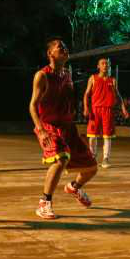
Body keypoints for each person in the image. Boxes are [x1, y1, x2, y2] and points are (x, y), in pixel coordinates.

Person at [30, 38, 99, 219]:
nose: (64, 49)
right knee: (60, 159)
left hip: (68, 126)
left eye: (65, 47)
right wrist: (41, 130)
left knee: (92, 167)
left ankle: (74, 187)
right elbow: (32, 105)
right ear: (50, 54)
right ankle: (44, 202)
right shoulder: (42, 75)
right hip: (49, 126)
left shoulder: (67, 74)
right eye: (60, 47)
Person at [83, 58, 129, 168]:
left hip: (108, 110)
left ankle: (105, 158)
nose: (105, 65)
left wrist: (123, 108)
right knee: (92, 135)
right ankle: (92, 157)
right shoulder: (93, 78)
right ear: (98, 66)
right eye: (103, 63)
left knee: (107, 136)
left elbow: (118, 95)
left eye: (107, 64)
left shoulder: (112, 80)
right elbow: (86, 94)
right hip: (95, 110)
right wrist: (86, 107)